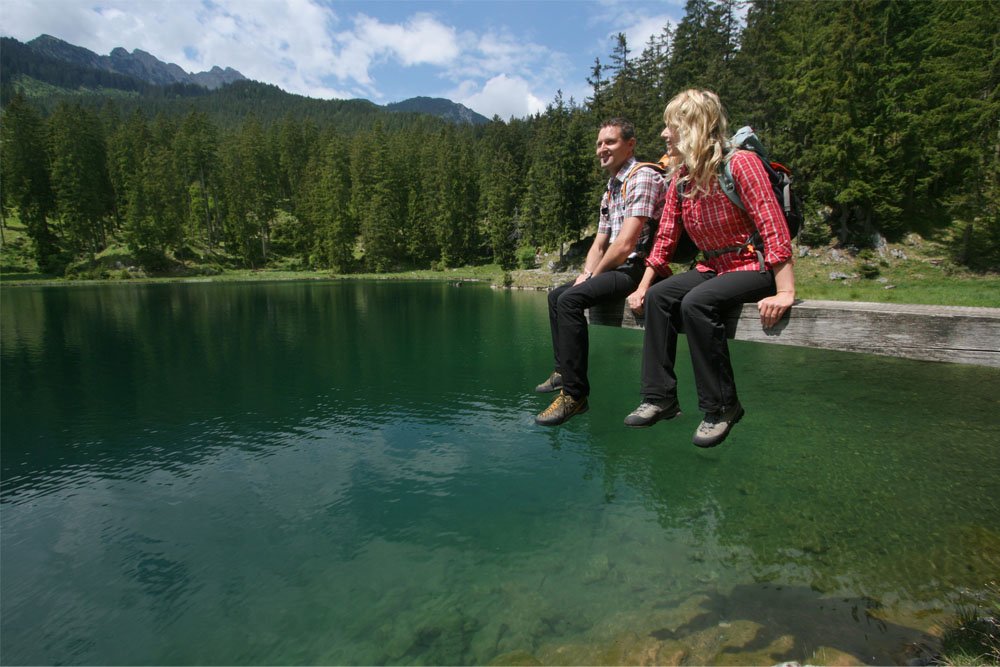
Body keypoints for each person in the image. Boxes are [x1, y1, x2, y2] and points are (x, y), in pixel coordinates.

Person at [623, 89, 795, 447]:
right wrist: (643, 285)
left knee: (696, 303)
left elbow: (772, 225)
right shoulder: (683, 178)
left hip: (754, 263)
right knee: (659, 298)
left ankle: (722, 407)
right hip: (716, 267)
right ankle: (661, 398)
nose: (664, 135)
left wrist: (785, 291)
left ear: (694, 127)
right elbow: (666, 237)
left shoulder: (740, 164)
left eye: (671, 126)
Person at [534, 118, 667, 426]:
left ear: (630, 145)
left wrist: (592, 277)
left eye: (610, 142)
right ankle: (563, 372)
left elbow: (626, 243)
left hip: (641, 269)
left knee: (570, 301)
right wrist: (586, 272)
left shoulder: (642, 176)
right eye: (599, 143)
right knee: (557, 295)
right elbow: (600, 242)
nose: (602, 149)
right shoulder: (611, 188)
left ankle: (575, 395)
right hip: (618, 266)